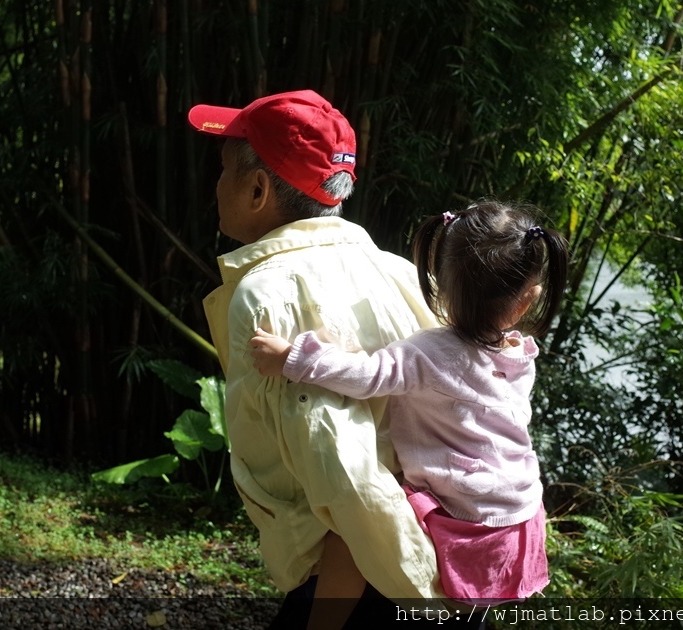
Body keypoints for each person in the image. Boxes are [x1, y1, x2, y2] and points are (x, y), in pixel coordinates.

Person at [187, 90, 457, 629]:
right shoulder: (397, 271)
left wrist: (420, 599)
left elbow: (345, 473)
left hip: (366, 573)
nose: (216, 186)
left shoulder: (268, 293)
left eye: (223, 171)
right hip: (425, 546)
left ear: (258, 188)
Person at [250, 200, 569, 606]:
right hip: (521, 516)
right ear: (528, 300)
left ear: (440, 279)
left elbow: (368, 376)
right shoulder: (520, 354)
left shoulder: (431, 352)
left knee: (350, 536)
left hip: (468, 522)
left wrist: (292, 358)